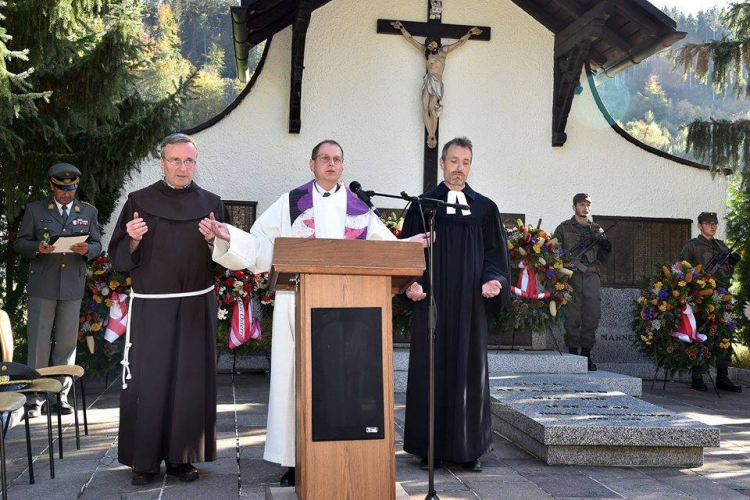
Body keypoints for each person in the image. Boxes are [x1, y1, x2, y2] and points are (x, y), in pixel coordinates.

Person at [203, 139, 430, 487]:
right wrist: (229, 236)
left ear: (342, 166)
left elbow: (382, 248)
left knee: (344, 381)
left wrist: (406, 249)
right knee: (297, 377)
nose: (330, 164)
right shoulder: (291, 202)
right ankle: (295, 460)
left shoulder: (358, 208)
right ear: (312, 164)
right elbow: (263, 245)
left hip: (350, 313)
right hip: (299, 304)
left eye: (337, 159)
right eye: (324, 158)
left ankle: (344, 451)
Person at [108, 133, 230, 485]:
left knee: (189, 381)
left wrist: (214, 242)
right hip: (153, 309)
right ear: (161, 162)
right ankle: (144, 460)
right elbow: (119, 259)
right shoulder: (139, 202)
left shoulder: (211, 203)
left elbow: (222, 263)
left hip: (195, 307)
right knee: (151, 380)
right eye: (174, 160)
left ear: (196, 162)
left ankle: (182, 457)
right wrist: (131, 238)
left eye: (188, 160)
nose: (182, 167)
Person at [401, 137, 510, 472]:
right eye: (453, 161)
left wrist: (494, 281)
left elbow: (495, 256)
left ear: (470, 165)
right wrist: (410, 283)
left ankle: (469, 449)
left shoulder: (485, 209)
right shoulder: (421, 205)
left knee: (468, 370)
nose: (459, 168)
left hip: (468, 305)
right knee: (429, 369)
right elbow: (406, 251)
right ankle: (427, 447)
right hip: (430, 301)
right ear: (442, 163)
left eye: (465, 161)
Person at [14, 163, 101, 418]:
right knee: (39, 343)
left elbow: (96, 242)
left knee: (65, 344)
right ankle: (35, 397)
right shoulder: (35, 209)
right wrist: (36, 248)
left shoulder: (88, 211)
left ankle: (60, 395)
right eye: (62, 189)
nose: (67, 194)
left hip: (72, 285)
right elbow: (20, 243)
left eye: (72, 189)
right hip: (43, 284)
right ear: (52, 186)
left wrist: (89, 251)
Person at [390, 21, 482, 149]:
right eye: (428, 44)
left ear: (436, 43)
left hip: (438, 82)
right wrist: (401, 27)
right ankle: (431, 135)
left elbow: (460, 43)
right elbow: (410, 39)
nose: (430, 45)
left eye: (432, 43)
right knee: (425, 107)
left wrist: (470, 32)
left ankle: (432, 134)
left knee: (432, 108)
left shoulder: (444, 51)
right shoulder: (425, 52)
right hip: (429, 80)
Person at [678, 211, 742, 392]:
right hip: (702, 296)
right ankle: (697, 377)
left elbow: (728, 272)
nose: (712, 226)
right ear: (699, 225)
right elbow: (681, 268)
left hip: (722, 295)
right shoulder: (692, 246)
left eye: (714, 223)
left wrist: (733, 262)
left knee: (724, 334)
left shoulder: (722, 247)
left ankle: (723, 376)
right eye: (708, 223)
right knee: (701, 333)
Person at [553, 194, 611, 371]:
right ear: (574, 207)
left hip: (591, 275)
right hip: (572, 275)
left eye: (588, 205)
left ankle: (586, 354)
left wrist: (604, 243)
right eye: (581, 205)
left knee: (592, 313)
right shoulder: (564, 228)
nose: (585, 208)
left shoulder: (596, 229)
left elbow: (604, 256)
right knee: (572, 314)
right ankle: (572, 354)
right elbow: (553, 250)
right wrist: (563, 263)